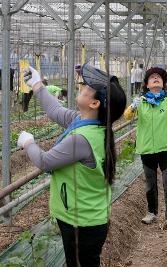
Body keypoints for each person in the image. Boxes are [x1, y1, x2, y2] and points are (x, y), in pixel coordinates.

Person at [18, 64, 127, 267]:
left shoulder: (82, 139)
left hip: (82, 222)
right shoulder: (87, 122)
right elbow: (55, 110)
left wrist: (28, 143)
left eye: (87, 88)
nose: (82, 86)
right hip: (87, 217)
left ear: (94, 103)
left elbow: (45, 161)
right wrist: (37, 85)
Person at [123, 67, 167, 228]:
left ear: (163, 84)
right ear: (147, 85)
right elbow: (127, 116)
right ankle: (151, 212)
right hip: (146, 149)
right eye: (152, 78)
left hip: (166, 148)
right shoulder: (141, 102)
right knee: (150, 184)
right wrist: (133, 106)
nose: (156, 79)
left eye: (159, 78)